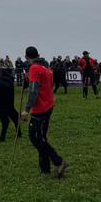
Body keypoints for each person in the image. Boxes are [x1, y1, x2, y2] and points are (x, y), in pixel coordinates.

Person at [20, 46, 68, 178]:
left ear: (26, 57)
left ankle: (59, 161)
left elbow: (33, 90)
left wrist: (26, 110)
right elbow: (43, 84)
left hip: (40, 109)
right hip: (48, 105)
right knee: (41, 137)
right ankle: (45, 168)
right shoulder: (46, 67)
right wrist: (29, 79)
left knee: (35, 138)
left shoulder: (34, 68)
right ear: (38, 54)